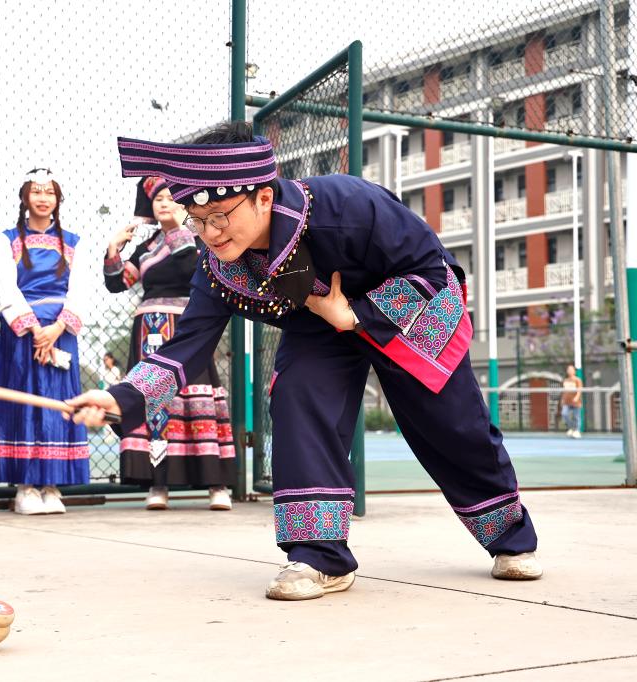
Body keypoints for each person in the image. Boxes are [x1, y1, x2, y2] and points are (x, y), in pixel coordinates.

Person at [69, 122, 542, 600]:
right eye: (197, 220)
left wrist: (355, 315)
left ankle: (511, 539)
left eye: (219, 217)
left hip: (405, 308)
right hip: (318, 322)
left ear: (263, 198)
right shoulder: (217, 266)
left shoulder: (349, 205)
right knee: (297, 396)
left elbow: (430, 269)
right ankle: (320, 557)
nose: (209, 234)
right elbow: (186, 344)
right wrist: (120, 398)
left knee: (452, 425)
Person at [103, 176, 236, 510]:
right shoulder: (147, 247)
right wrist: (113, 248)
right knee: (153, 399)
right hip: (148, 331)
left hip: (189, 328)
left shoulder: (197, 237)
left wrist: (178, 228)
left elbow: (192, 268)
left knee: (196, 396)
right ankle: (157, 483)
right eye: (158, 199)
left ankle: (216, 484)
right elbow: (119, 282)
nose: (163, 203)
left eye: (170, 198)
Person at [0, 168, 91, 514]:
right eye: (36, 192)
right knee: (23, 404)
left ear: (58, 199)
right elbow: (6, 288)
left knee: (57, 404)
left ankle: (52, 486)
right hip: (22, 334)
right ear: (25, 197)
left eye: (49, 192)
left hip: (60, 333)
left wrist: (57, 328)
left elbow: (80, 289)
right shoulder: (7, 239)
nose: (43, 198)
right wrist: (34, 328)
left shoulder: (75, 242)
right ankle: (25, 487)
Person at [561, 364, 583, 439]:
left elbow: (579, 390)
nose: (570, 371)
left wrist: (577, 397)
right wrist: (563, 399)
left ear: (574, 371)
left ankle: (577, 431)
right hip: (566, 402)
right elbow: (564, 391)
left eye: (571, 370)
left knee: (576, 417)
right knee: (564, 414)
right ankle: (571, 428)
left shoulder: (577, 380)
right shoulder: (565, 380)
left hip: (576, 402)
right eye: (568, 370)